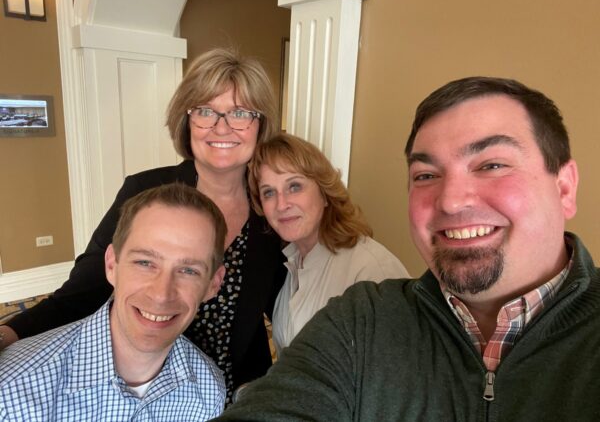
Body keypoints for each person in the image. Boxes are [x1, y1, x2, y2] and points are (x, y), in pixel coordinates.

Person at [213, 77, 600, 421]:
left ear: (564, 188)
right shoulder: (362, 318)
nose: (451, 200)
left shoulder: (367, 267)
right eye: (427, 175)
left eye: (492, 165)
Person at [0, 48, 286, 403]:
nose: (222, 127)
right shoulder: (145, 192)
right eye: (206, 111)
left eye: (240, 113)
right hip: (146, 387)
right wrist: (9, 334)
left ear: (260, 125)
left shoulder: (271, 206)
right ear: (187, 120)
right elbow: (84, 290)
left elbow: (287, 298)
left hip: (237, 384)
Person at [0, 183, 226, 421]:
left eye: (188, 270)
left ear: (214, 283)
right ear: (111, 265)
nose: (161, 295)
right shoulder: (10, 394)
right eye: (145, 263)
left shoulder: (208, 390)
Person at [247, 133, 408, 355]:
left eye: (294, 186)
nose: (281, 204)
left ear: (324, 194)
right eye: (269, 192)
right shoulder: (293, 262)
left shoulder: (371, 270)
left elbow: (399, 373)